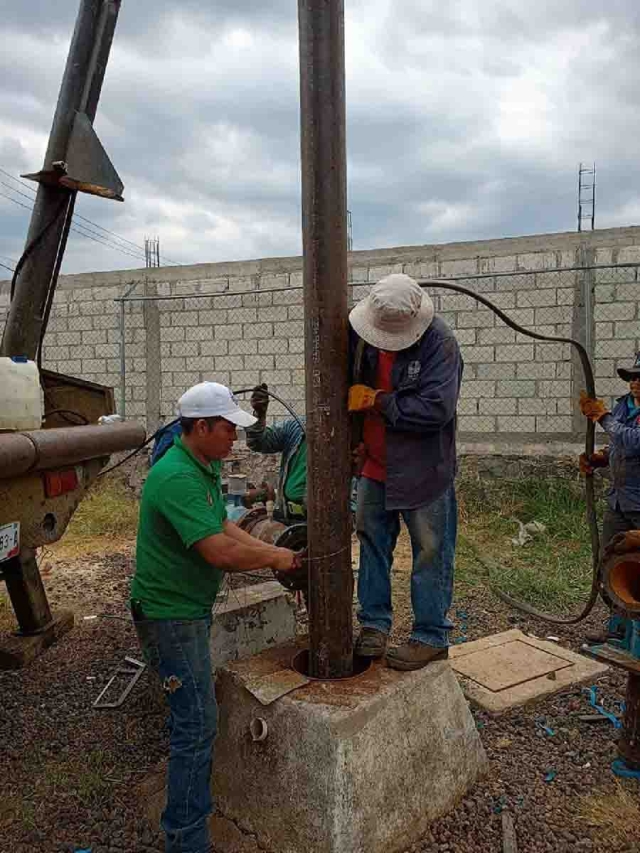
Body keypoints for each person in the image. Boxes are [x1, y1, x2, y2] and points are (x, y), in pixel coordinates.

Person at [130, 381, 300, 853]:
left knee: (194, 715)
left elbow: (223, 524)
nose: (235, 438)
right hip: (170, 615)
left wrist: (272, 548)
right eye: (228, 428)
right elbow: (219, 550)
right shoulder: (177, 477)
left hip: (186, 609)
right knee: (197, 722)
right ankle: (186, 838)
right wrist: (276, 560)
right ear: (201, 427)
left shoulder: (201, 464)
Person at [348, 273, 463, 671]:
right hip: (377, 466)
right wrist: (356, 442)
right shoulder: (361, 336)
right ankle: (374, 625)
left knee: (430, 552)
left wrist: (380, 401)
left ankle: (431, 635)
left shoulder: (440, 345)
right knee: (372, 544)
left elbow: (436, 409)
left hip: (424, 470)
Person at [579, 352, 640, 638]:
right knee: (609, 561)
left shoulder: (613, 414)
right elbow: (619, 446)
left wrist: (603, 417)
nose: (636, 382)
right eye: (633, 377)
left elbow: (634, 441)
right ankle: (618, 627)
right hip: (619, 501)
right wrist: (601, 458)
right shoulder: (624, 407)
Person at [245, 383, 307, 523]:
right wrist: (259, 415)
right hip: (289, 516)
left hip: (323, 520)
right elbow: (258, 442)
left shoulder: (343, 435)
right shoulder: (296, 428)